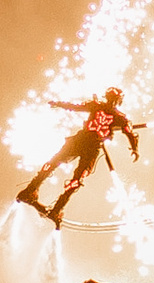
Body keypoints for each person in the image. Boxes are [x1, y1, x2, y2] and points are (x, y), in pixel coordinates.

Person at [16, 87, 142, 228]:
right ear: (119, 100)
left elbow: (75, 107)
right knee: (76, 178)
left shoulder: (97, 105)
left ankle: (31, 190)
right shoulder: (120, 117)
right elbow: (130, 133)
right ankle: (56, 208)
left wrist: (58, 103)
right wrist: (134, 148)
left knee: (54, 163)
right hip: (91, 147)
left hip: (80, 140)